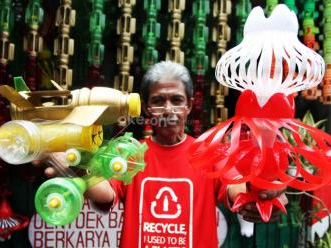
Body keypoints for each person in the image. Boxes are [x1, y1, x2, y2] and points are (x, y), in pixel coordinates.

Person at [44, 61, 287, 247]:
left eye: (176, 99)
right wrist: (75, 163)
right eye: (159, 100)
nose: (168, 109)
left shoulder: (210, 154)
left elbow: (238, 193)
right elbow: (105, 194)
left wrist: (262, 193)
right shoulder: (129, 153)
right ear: (147, 108)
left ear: (189, 105)